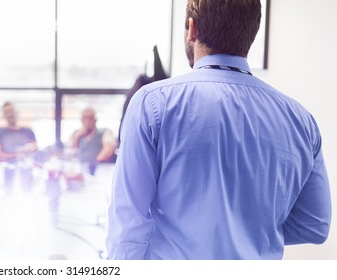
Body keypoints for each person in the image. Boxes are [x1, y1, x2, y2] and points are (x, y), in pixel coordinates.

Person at [107, 0, 331, 260]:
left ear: (192, 29)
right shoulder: (302, 121)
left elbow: (127, 229)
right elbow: (314, 224)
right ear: (251, 32)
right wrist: (248, 232)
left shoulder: (153, 103)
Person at [0, 102, 38, 193]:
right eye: (6, 112)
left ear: (16, 112)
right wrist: (20, 154)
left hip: (26, 176)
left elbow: (35, 149)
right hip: (6, 175)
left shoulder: (28, 132)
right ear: (3, 115)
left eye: (11, 111)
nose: (10, 114)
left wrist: (27, 151)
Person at [67, 107, 117, 174]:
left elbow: (108, 150)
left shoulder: (105, 132)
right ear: (81, 120)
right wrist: (77, 137)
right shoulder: (76, 134)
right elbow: (70, 154)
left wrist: (94, 163)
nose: (88, 121)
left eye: (90, 118)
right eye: (85, 118)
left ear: (95, 120)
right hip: (79, 171)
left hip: (100, 171)